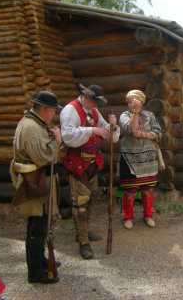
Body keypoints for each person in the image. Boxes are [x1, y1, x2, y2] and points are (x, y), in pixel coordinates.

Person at [60, 84, 119, 260]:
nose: (96, 105)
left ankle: (82, 233)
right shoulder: (70, 110)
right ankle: (83, 242)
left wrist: (113, 127)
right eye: (94, 101)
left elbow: (105, 128)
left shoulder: (93, 111)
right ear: (85, 96)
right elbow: (68, 136)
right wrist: (92, 130)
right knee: (81, 205)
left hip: (92, 164)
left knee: (90, 199)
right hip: (77, 163)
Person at [10, 90, 62, 284]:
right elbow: (43, 157)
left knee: (39, 225)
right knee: (37, 228)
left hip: (38, 180)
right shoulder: (31, 127)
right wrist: (57, 141)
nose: (54, 115)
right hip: (35, 181)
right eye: (53, 111)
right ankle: (36, 272)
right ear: (45, 109)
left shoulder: (35, 124)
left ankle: (40, 261)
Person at [119, 89, 162, 230]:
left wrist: (144, 134)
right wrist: (135, 114)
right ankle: (128, 217)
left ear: (141, 102)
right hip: (130, 158)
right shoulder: (124, 115)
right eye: (129, 101)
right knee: (130, 189)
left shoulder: (150, 115)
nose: (131, 103)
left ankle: (148, 215)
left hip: (148, 157)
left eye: (134, 101)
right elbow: (129, 130)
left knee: (147, 188)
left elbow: (158, 132)